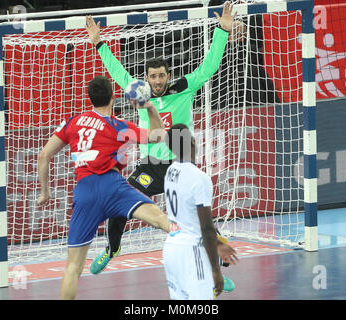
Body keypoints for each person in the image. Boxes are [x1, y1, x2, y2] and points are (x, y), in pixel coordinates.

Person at [85, 2, 238, 292]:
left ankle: (216, 268)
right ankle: (113, 248)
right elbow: (117, 71)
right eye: (152, 76)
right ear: (147, 78)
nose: (157, 81)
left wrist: (222, 31)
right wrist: (99, 44)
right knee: (120, 202)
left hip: (181, 164)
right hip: (152, 166)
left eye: (161, 76)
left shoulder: (185, 87)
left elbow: (209, 66)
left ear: (168, 75)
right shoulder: (139, 92)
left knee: (200, 218)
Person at [37, 75, 170, 300]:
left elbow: (43, 156)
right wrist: (149, 107)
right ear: (113, 97)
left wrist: (45, 192)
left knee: (73, 268)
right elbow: (160, 136)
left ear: (90, 99)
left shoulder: (73, 122)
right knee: (161, 220)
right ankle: (206, 253)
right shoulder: (119, 127)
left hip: (85, 192)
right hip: (113, 187)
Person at [163, 123, 239, 299]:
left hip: (171, 249)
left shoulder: (170, 171)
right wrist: (216, 272)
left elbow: (189, 217)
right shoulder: (200, 178)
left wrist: (219, 243)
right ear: (192, 142)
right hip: (191, 252)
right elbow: (205, 228)